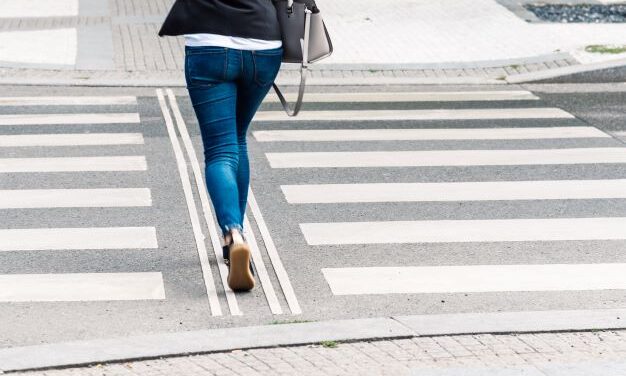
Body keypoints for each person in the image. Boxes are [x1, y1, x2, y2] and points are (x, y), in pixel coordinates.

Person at [159, 0, 283, 292]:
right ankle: (236, 239)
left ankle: (232, 233)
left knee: (219, 149)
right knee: (238, 137)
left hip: (209, 45)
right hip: (263, 43)